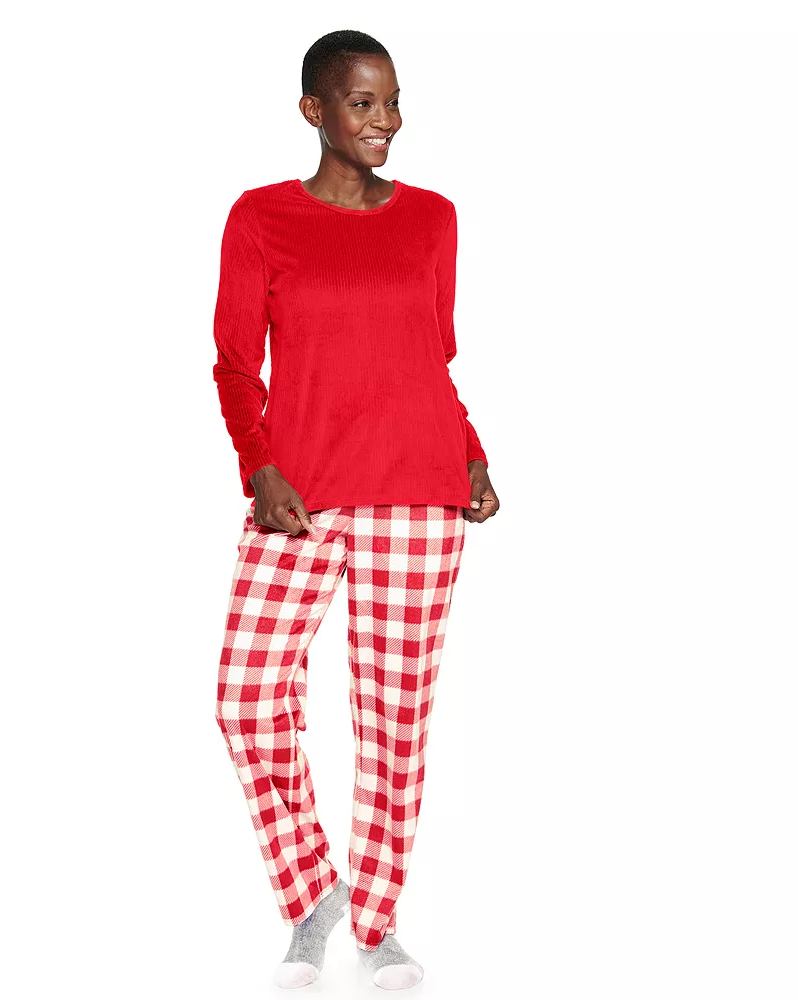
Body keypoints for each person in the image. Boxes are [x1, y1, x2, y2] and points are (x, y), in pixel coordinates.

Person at [211, 29, 499, 991]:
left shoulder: (433, 219)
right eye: (363, 103)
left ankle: (376, 927)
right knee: (246, 696)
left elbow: (430, 358)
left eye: (394, 102)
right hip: (299, 497)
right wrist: (259, 467)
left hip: (420, 491)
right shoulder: (260, 216)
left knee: (393, 720)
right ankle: (313, 892)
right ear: (315, 110)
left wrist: (471, 453)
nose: (386, 122)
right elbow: (234, 365)